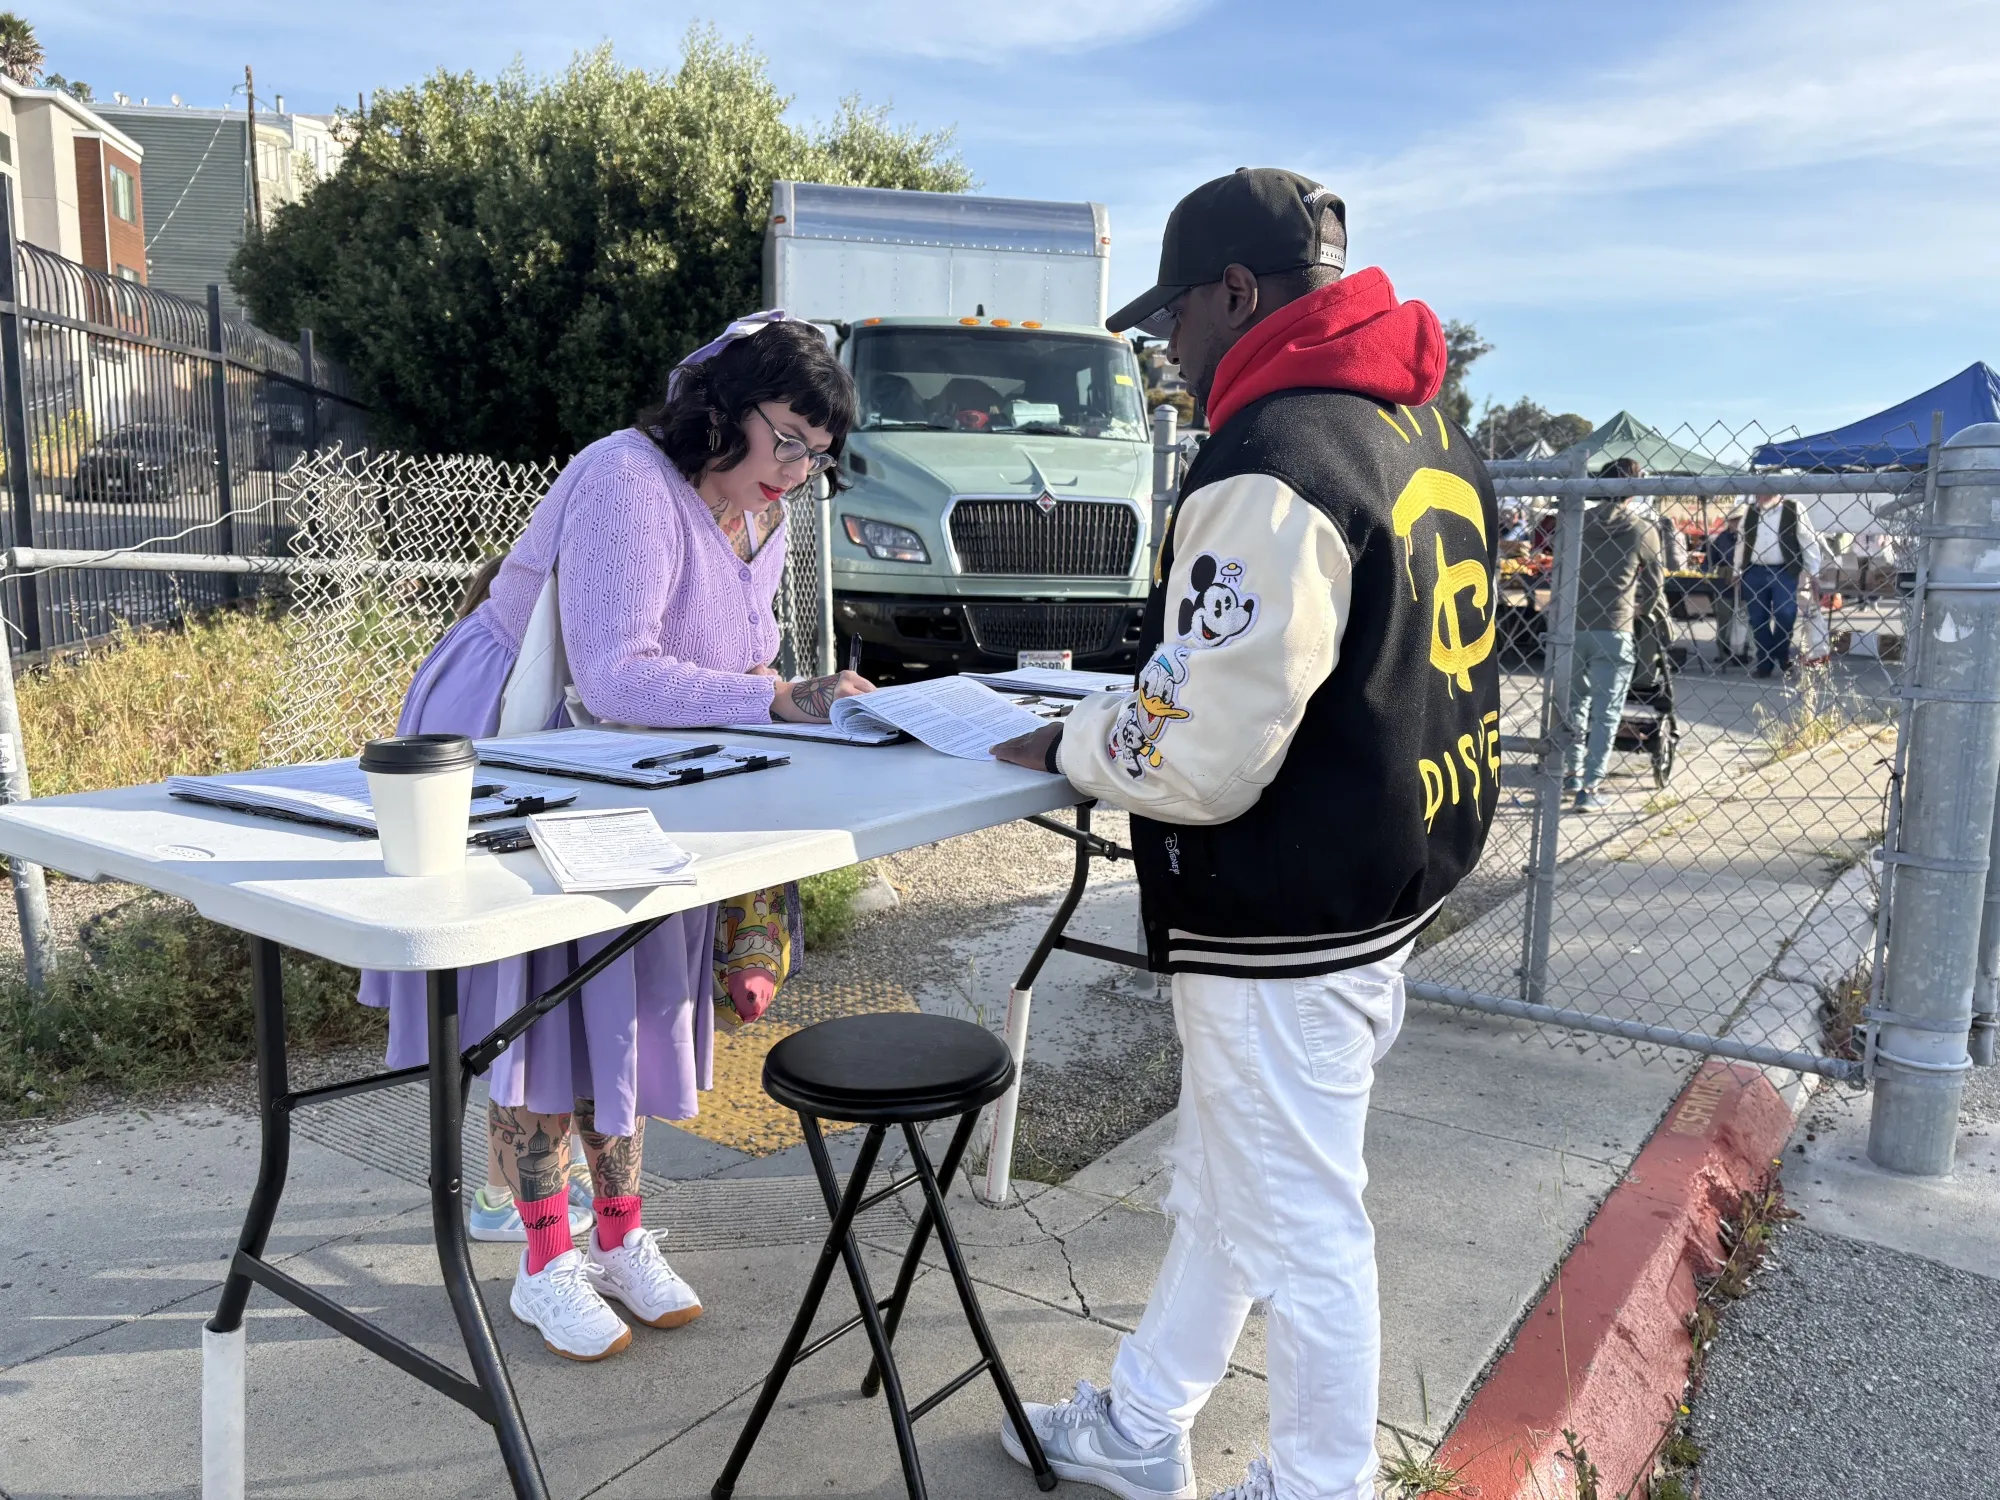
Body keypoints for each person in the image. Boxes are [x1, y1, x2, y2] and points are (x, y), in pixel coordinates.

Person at [992, 168, 1500, 1500]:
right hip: (1376, 882)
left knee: (1305, 1221)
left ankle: (1320, 1482)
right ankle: (1148, 1419)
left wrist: (1074, 741)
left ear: (1238, 290)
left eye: (1178, 312)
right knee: (1235, 1184)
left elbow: (1203, 753)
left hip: (1287, 908)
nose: (1168, 343)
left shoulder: (1275, 455)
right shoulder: (1417, 427)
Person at [357, 314, 873, 1361]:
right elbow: (616, 675)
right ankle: (546, 1262)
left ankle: (621, 1233)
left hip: (626, 770)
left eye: (818, 457)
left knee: (624, 999)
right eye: (789, 440)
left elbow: (722, 661)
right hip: (521, 753)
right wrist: (777, 697)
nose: (797, 471)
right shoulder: (628, 479)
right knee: (543, 1011)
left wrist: (770, 693)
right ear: (723, 408)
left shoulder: (751, 515)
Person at [1566, 483, 1667, 812]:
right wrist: (1644, 609)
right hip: (1614, 624)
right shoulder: (1641, 528)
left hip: (1571, 624)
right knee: (1606, 711)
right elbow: (1655, 581)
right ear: (1632, 492)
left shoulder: (1576, 523)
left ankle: (1571, 771)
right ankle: (1590, 786)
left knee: (1573, 703)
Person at [1732, 491, 1823, 677]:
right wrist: (1736, 570)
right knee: (1757, 620)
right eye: (1760, 491)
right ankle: (1765, 664)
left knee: (1785, 614)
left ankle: (1782, 655)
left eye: (1769, 491)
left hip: (1784, 571)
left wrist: (1814, 573)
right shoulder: (1750, 512)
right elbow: (1742, 542)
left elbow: (1807, 539)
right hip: (1754, 572)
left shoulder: (1793, 509)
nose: (1763, 495)